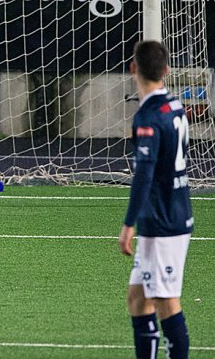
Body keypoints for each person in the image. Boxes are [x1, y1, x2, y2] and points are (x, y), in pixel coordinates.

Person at [121, 39, 192, 359]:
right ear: (166, 70)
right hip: (173, 212)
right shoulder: (176, 106)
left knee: (166, 301)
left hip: (163, 220)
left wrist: (128, 223)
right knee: (138, 299)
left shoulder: (147, 116)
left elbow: (144, 175)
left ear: (133, 68)